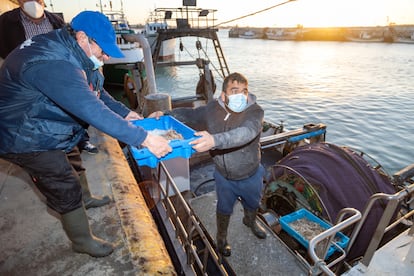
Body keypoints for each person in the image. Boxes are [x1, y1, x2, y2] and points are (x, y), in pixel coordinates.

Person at [0, 10, 172, 257]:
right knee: (62, 182)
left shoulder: (75, 52)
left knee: (73, 157)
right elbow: (92, 110)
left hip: (44, 119)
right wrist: (143, 138)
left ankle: (86, 198)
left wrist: (125, 113)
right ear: (82, 37)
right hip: (23, 135)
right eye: (102, 49)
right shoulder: (53, 65)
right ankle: (81, 241)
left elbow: (96, 92)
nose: (104, 56)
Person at [165, 72, 266, 257]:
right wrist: (165, 114)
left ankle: (250, 221)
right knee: (224, 208)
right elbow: (191, 115)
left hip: (251, 174)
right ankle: (221, 238)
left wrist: (214, 141)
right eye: (234, 91)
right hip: (224, 177)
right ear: (223, 95)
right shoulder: (212, 109)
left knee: (253, 202)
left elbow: (246, 132)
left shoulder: (255, 112)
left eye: (244, 91)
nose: (241, 96)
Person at [0, 0, 99, 154]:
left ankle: (80, 139)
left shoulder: (56, 21)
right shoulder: (6, 22)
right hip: (27, 79)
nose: (32, 2)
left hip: (58, 75)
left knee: (69, 109)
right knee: (38, 116)